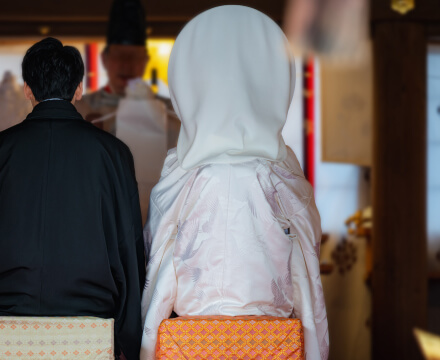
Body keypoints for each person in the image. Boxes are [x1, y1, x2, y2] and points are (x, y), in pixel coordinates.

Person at [140, 6, 329, 360]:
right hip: (270, 330)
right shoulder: (280, 168)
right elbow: (308, 249)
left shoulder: (182, 169)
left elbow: (156, 248)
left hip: (192, 329)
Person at [0, 37, 145, 360]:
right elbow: (129, 249)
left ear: (28, 90)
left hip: (6, 321)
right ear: (79, 89)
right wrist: (128, 338)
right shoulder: (113, 154)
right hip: (92, 323)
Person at [74, 0, 180, 150]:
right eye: (119, 55)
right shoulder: (80, 110)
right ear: (105, 59)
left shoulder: (170, 112)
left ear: (145, 61)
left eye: (135, 56)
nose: (126, 64)